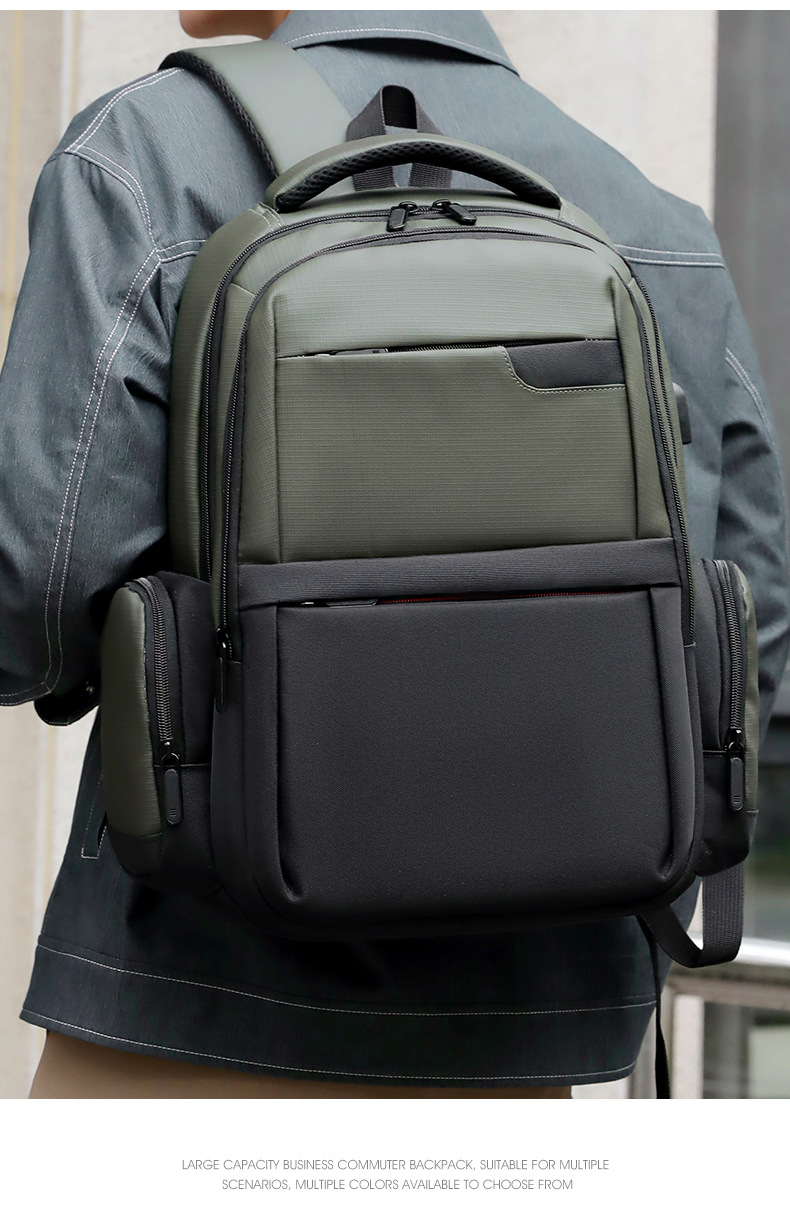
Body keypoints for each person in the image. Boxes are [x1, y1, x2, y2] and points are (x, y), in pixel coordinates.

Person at [2, 10, 787, 1099]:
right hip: (529, 1052)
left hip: (195, 1012)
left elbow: (34, 591)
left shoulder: (149, 152)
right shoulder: (651, 219)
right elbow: (753, 643)